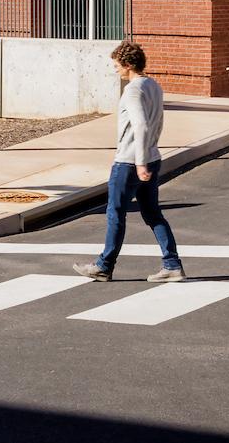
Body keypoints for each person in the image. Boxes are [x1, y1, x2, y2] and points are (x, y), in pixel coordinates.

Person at [77, 40, 186, 284]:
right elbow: (155, 124)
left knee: (115, 213)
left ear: (128, 65)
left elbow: (141, 124)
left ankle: (104, 266)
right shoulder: (154, 86)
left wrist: (139, 162)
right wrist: (148, 157)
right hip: (152, 157)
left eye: (117, 66)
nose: (115, 70)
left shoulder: (133, 90)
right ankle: (172, 265)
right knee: (153, 214)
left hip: (129, 162)